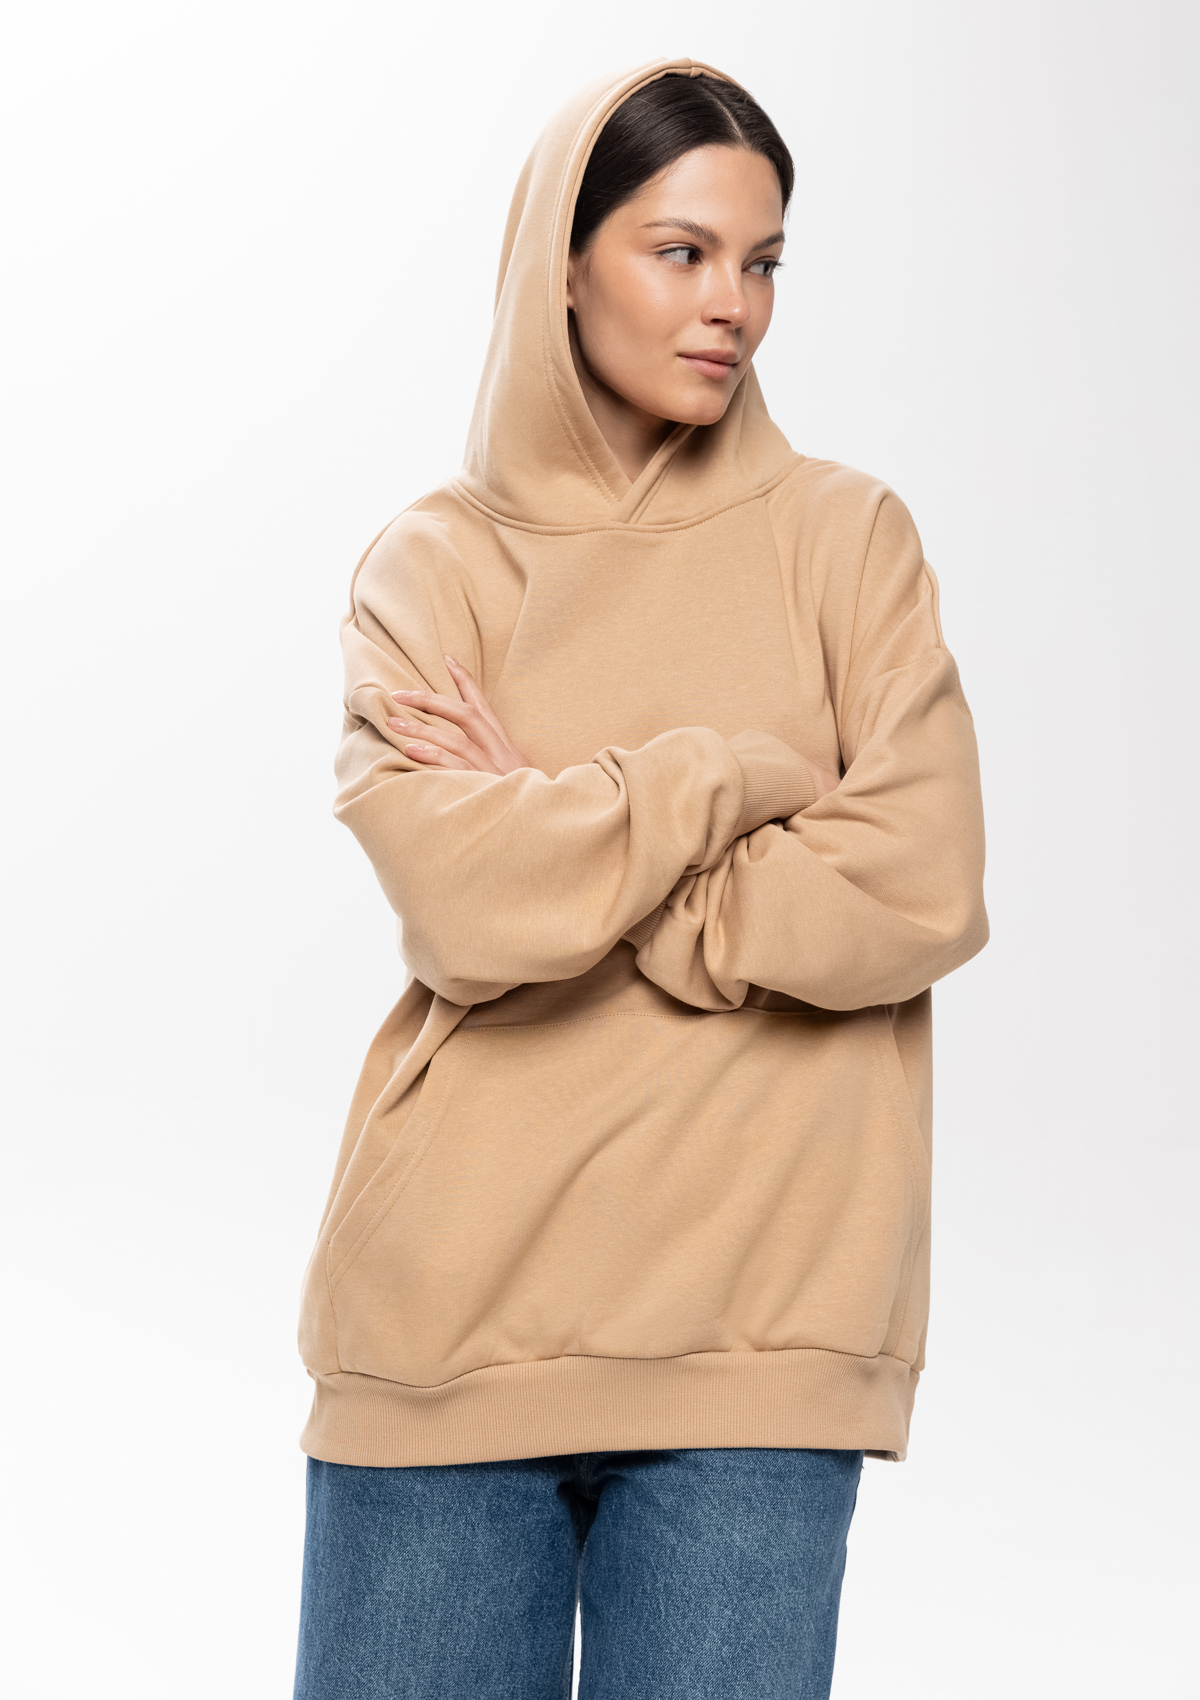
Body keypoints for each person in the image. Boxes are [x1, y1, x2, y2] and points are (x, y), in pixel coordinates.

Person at [293, 57, 988, 1700]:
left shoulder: (847, 542)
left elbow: (918, 888)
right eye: (681, 253)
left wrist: (569, 833)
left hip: (761, 1343)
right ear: (563, 261)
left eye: (762, 261)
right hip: (446, 1327)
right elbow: (467, 909)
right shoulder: (434, 566)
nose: (732, 304)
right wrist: (728, 778)